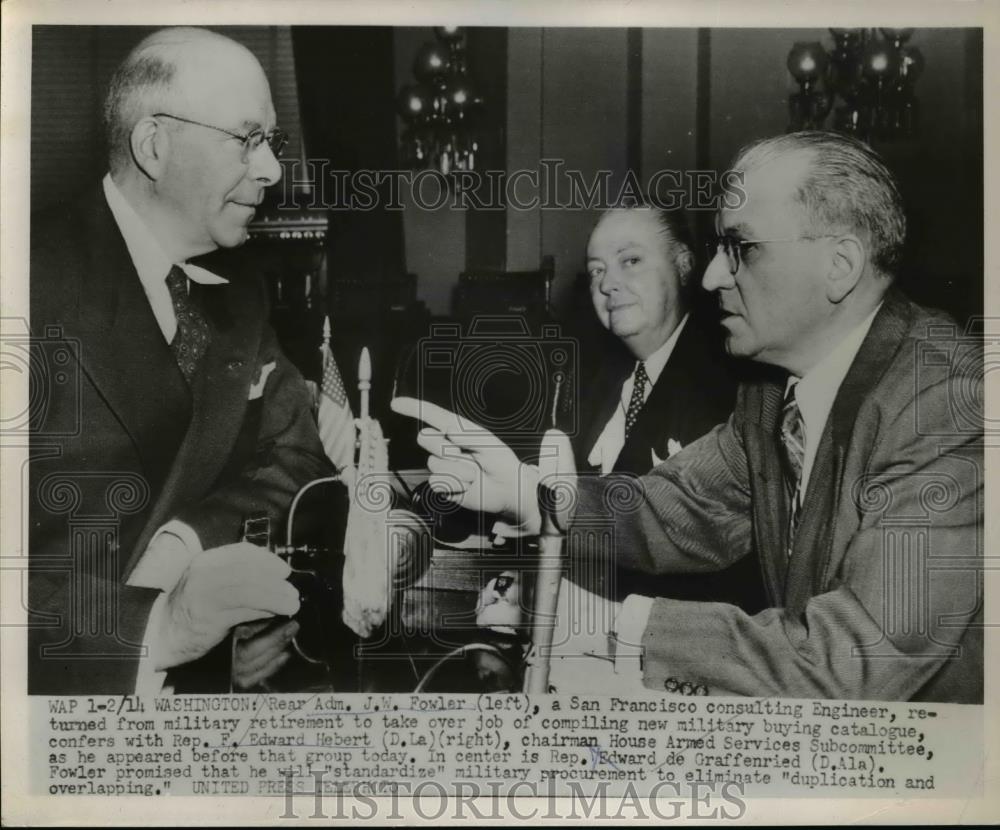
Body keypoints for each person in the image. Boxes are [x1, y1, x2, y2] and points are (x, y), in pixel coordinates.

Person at [393, 131, 983, 703]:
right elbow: (680, 509)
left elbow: (853, 666)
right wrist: (536, 495)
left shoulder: (949, 401)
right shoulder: (772, 393)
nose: (710, 277)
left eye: (741, 248)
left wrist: (610, 629)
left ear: (840, 264)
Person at [28, 27, 333, 694]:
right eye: (247, 139)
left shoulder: (240, 293)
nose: (273, 170)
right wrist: (151, 628)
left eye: (272, 143)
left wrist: (186, 543)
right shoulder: (23, 280)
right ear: (155, 145)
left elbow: (299, 462)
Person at [575, 203, 764, 611]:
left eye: (631, 261)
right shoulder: (592, 381)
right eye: (597, 270)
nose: (608, 284)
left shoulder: (735, 386)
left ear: (682, 266)